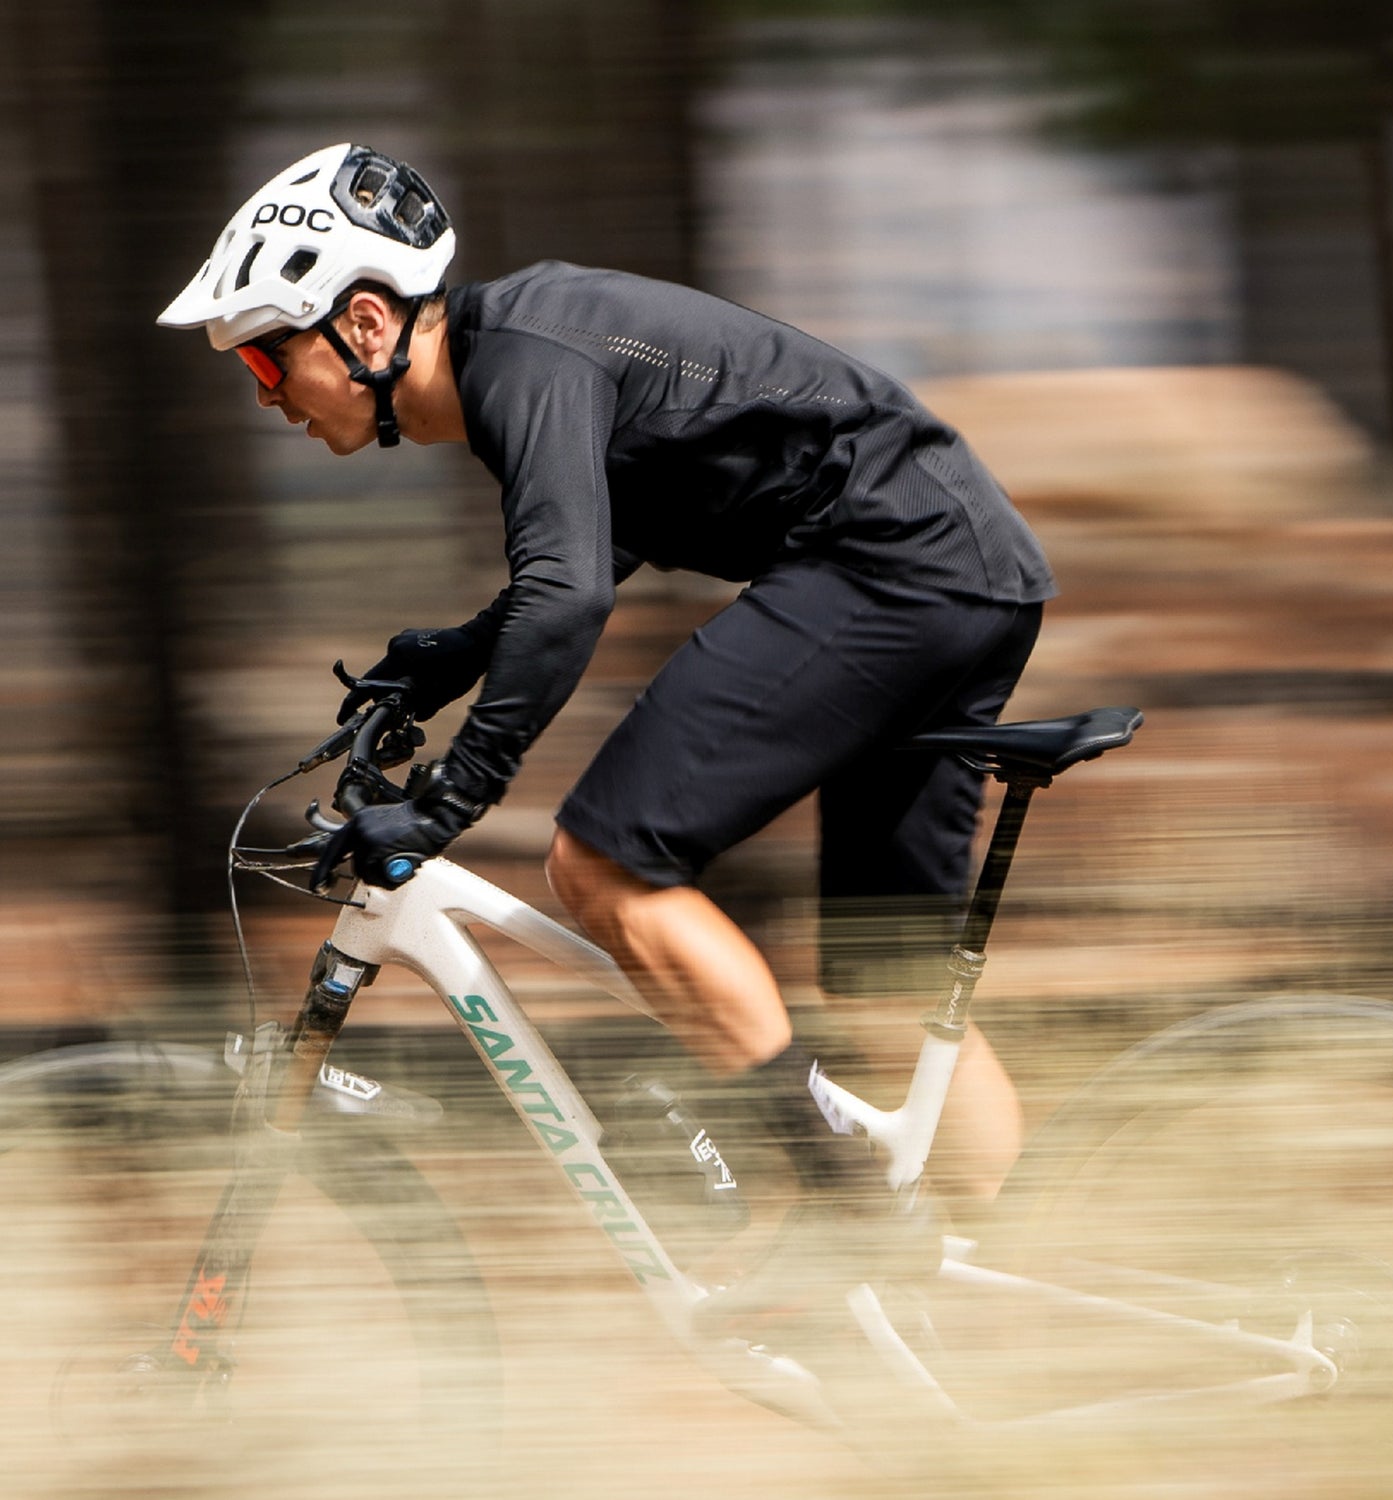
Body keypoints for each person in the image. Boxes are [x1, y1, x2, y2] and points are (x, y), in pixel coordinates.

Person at [159, 142, 1056, 1260]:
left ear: (370, 325)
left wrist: (452, 802)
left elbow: (568, 592)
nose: (267, 394)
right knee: (890, 984)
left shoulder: (524, 363)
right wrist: (458, 656)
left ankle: (833, 1218)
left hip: (891, 567)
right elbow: (603, 538)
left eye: (267, 361)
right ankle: (988, 1291)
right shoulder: (527, 346)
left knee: (603, 863)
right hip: (964, 572)